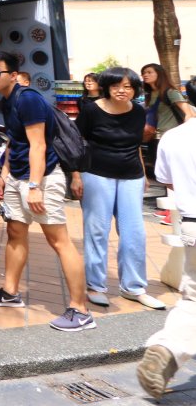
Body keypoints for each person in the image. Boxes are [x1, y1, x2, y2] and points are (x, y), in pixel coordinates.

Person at [0, 51, 94, 332]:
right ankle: (10, 292)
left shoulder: (28, 99)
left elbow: (38, 145)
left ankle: (81, 309)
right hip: (18, 178)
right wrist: (4, 176)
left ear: (14, 75)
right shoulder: (6, 101)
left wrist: (34, 186)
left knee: (59, 241)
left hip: (40, 179)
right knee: (15, 233)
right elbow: (16, 142)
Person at [75, 67, 165, 310]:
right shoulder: (92, 110)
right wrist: (75, 176)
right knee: (97, 231)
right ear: (106, 86)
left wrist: (144, 174)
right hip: (96, 174)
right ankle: (96, 285)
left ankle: (134, 287)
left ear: (135, 89)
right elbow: (76, 144)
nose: (121, 90)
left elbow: (136, 145)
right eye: (116, 86)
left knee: (135, 234)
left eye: (127, 86)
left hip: (131, 175)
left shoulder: (138, 111)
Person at [136, 104, 196, 399]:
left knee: (194, 299)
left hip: (192, 224)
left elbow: (169, 182)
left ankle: (167, 347)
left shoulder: (172, 137)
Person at [141, 63, 195, 175]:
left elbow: (189, 114)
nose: (145, 75)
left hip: (170, 138)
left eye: (149, 72)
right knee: (162, 172)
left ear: (159, 74)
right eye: (144, 73)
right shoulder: (150, 94)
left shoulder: (170, 92)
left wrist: (182, 134)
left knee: (176, 172)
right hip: (155, 137)